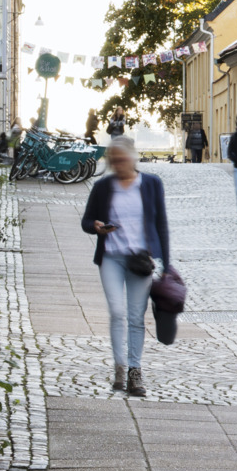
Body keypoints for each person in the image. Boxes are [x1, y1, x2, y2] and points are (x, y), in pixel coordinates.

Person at [78, 137, 173, 398]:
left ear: (133, 157)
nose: (118, 164)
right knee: (117, 312)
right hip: (111, 257)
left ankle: (135, 371)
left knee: (135, 317)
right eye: (113, 160)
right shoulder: (103, 186)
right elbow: (86, 221)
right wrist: (96, 227)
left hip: (140, 261)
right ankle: (119, 366)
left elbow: (161, 223)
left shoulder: (152, 184)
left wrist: (167, 263)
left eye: (122, 159)